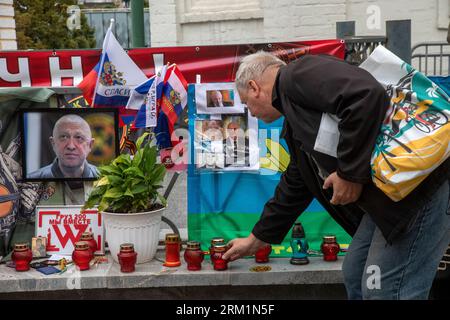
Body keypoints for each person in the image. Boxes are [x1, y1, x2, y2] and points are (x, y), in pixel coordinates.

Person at [222, 51, 450, 300]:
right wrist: (257, 238)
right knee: (355, 271)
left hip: (421, 188)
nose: (251, 113)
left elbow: (365, 95)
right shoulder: (294, 118)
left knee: (386, 289)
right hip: (394, 196)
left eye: (247, 104)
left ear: (254, 87)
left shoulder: (295, 75)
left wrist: (349, 174)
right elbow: (296, 184)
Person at [28, 114, 99, 179]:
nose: (71, 146)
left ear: (90, 145)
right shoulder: (31, 180)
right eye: (64, 137)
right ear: (53, 143)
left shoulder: (105, 179)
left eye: (79, 138)